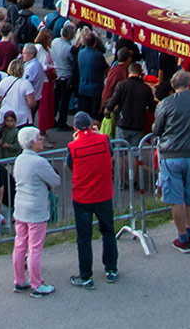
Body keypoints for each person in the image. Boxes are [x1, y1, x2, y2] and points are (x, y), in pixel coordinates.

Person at [151, 69, 190, 249]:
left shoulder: (166, 104)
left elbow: (157, 129)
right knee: (189, 196)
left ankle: (182, 237)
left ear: (173, 85)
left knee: (176, 199)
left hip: (172, 155)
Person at [66, 112, 118, 287]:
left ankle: (86, 275)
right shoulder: (103, 140)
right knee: (108, 231)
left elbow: (69, 165)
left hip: (82, 197)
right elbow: (110, 155)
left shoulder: (73, 146)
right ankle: (111, 269)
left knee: (84, 237)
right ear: (91, 125)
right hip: (104, 194)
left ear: (75, 129)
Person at [10, 125, 60, 297]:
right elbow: (55, 180)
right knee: (35, 247)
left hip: (21, 207)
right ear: (32, 143)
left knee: (20, 244)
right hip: (36, 209)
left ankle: (19, 280)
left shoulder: (19, 160)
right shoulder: (39, 162)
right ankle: (36, 284)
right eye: (39, 139)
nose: (41, 141)